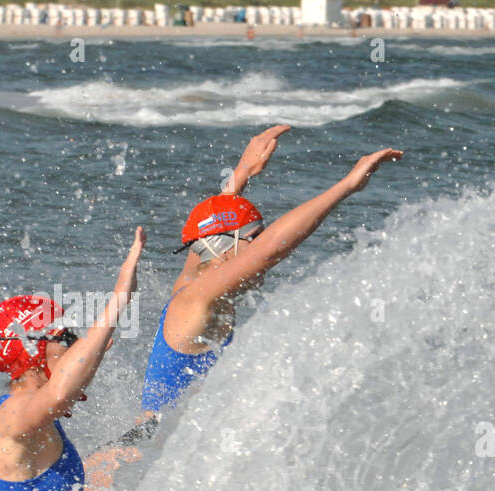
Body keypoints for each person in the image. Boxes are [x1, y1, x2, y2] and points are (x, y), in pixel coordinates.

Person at [136, 126, 403, 420]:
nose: (259, 246)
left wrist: (243, 171)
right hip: (145, 443)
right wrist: (347, 186)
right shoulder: (197, 299)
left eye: (261, 237)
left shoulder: (195, 277)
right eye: (255, 238)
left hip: (159, 439)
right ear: (225, 248)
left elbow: (205, 229)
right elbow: (272, 248)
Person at [0, 229, 144, 491]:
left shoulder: (7, 413)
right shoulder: (16, 414)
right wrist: (119, 298)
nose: (75, 347)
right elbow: (60, 394)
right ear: (33, 349)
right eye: (67, 339)